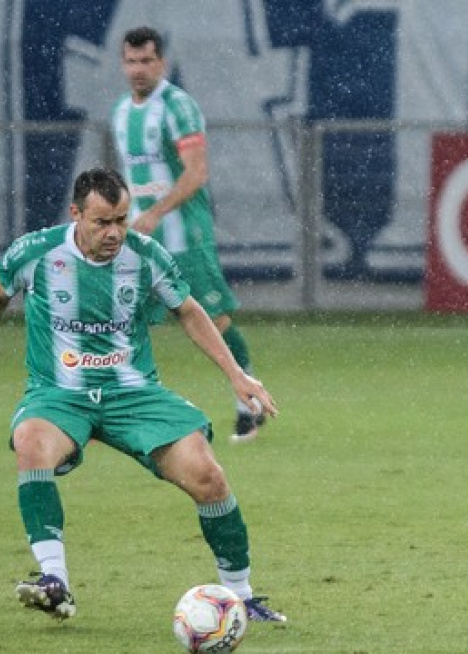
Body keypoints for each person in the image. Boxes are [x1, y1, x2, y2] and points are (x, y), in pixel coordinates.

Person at [2, 168, 286, 623]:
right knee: (31, 443)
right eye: (102, 222)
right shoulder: (33, 253)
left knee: (208, 476)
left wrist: (236, 374)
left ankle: (241, 597)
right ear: (75, 214)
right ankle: (54, 581)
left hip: (134, 394)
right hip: (59, 394)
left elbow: (190, 312)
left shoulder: (145, 255)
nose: (115, 232)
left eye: (121, 219)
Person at [111, 25, 263, 443]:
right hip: (138, 240)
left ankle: (247, 396)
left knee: (212, 319)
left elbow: (196, 173)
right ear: (122, 64)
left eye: (146, 61)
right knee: (121, 319)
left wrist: (156, 212)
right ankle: (115, 407)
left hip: (184, 236)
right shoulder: (122, 112)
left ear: (161, 62)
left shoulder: (178, 107)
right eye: (130, 61)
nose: (138, 69)